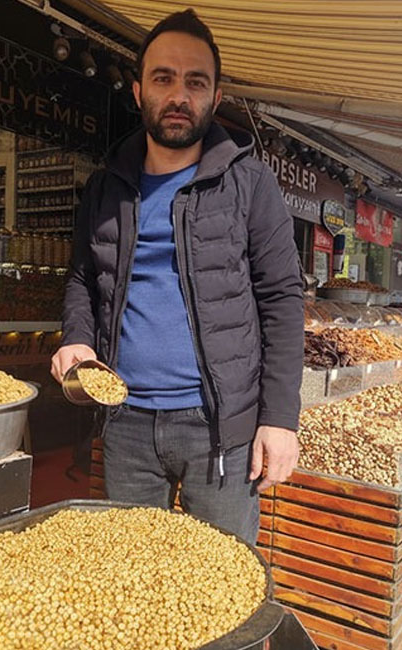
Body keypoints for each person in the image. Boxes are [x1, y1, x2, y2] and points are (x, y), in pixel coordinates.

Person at [50, 9, 302, 544]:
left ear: (215, 95)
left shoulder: (248, 182)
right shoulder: (106, 186)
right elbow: (81, 277)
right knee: (133, 581)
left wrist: (279, 419)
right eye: (164, 78)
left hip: (222, 429)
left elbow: (282, 299)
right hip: (125, 422)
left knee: (223, 586)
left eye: (196, 81)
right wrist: (76, 337)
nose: (179, 95)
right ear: (139, 90)